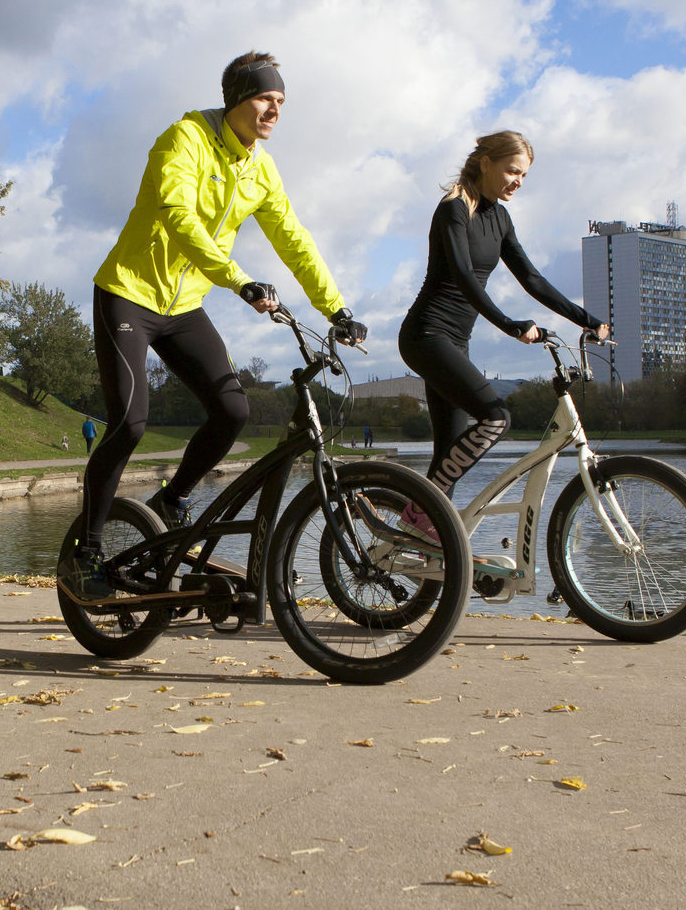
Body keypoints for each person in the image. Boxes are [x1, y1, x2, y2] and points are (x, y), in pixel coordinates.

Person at [60, 51, 368, 601]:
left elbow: (293, 239)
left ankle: (173, 499)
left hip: (184, 305)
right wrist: (239, 279)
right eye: (264, 99)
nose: (274, 111)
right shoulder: (183, 139)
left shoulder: (262, 169)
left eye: (280, 102)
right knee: (129, 423)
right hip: (127, 294)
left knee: (233, 410)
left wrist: (336, 309)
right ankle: (86, 553)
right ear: (235, 101)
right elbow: (179, 217)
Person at [397, 130, 608, 534]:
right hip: (426, 335)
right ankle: (417, 513)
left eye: (525, 176)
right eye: (513, 171)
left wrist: (585, 318)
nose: (518, 182)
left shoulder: (501, 217)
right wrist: (510, 324)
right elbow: (462, 276)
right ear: (485, 162)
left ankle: (424, 554)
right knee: (496, 418)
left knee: (449, 456)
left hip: (456, 341)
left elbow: (531, 277)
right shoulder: (455, 209)